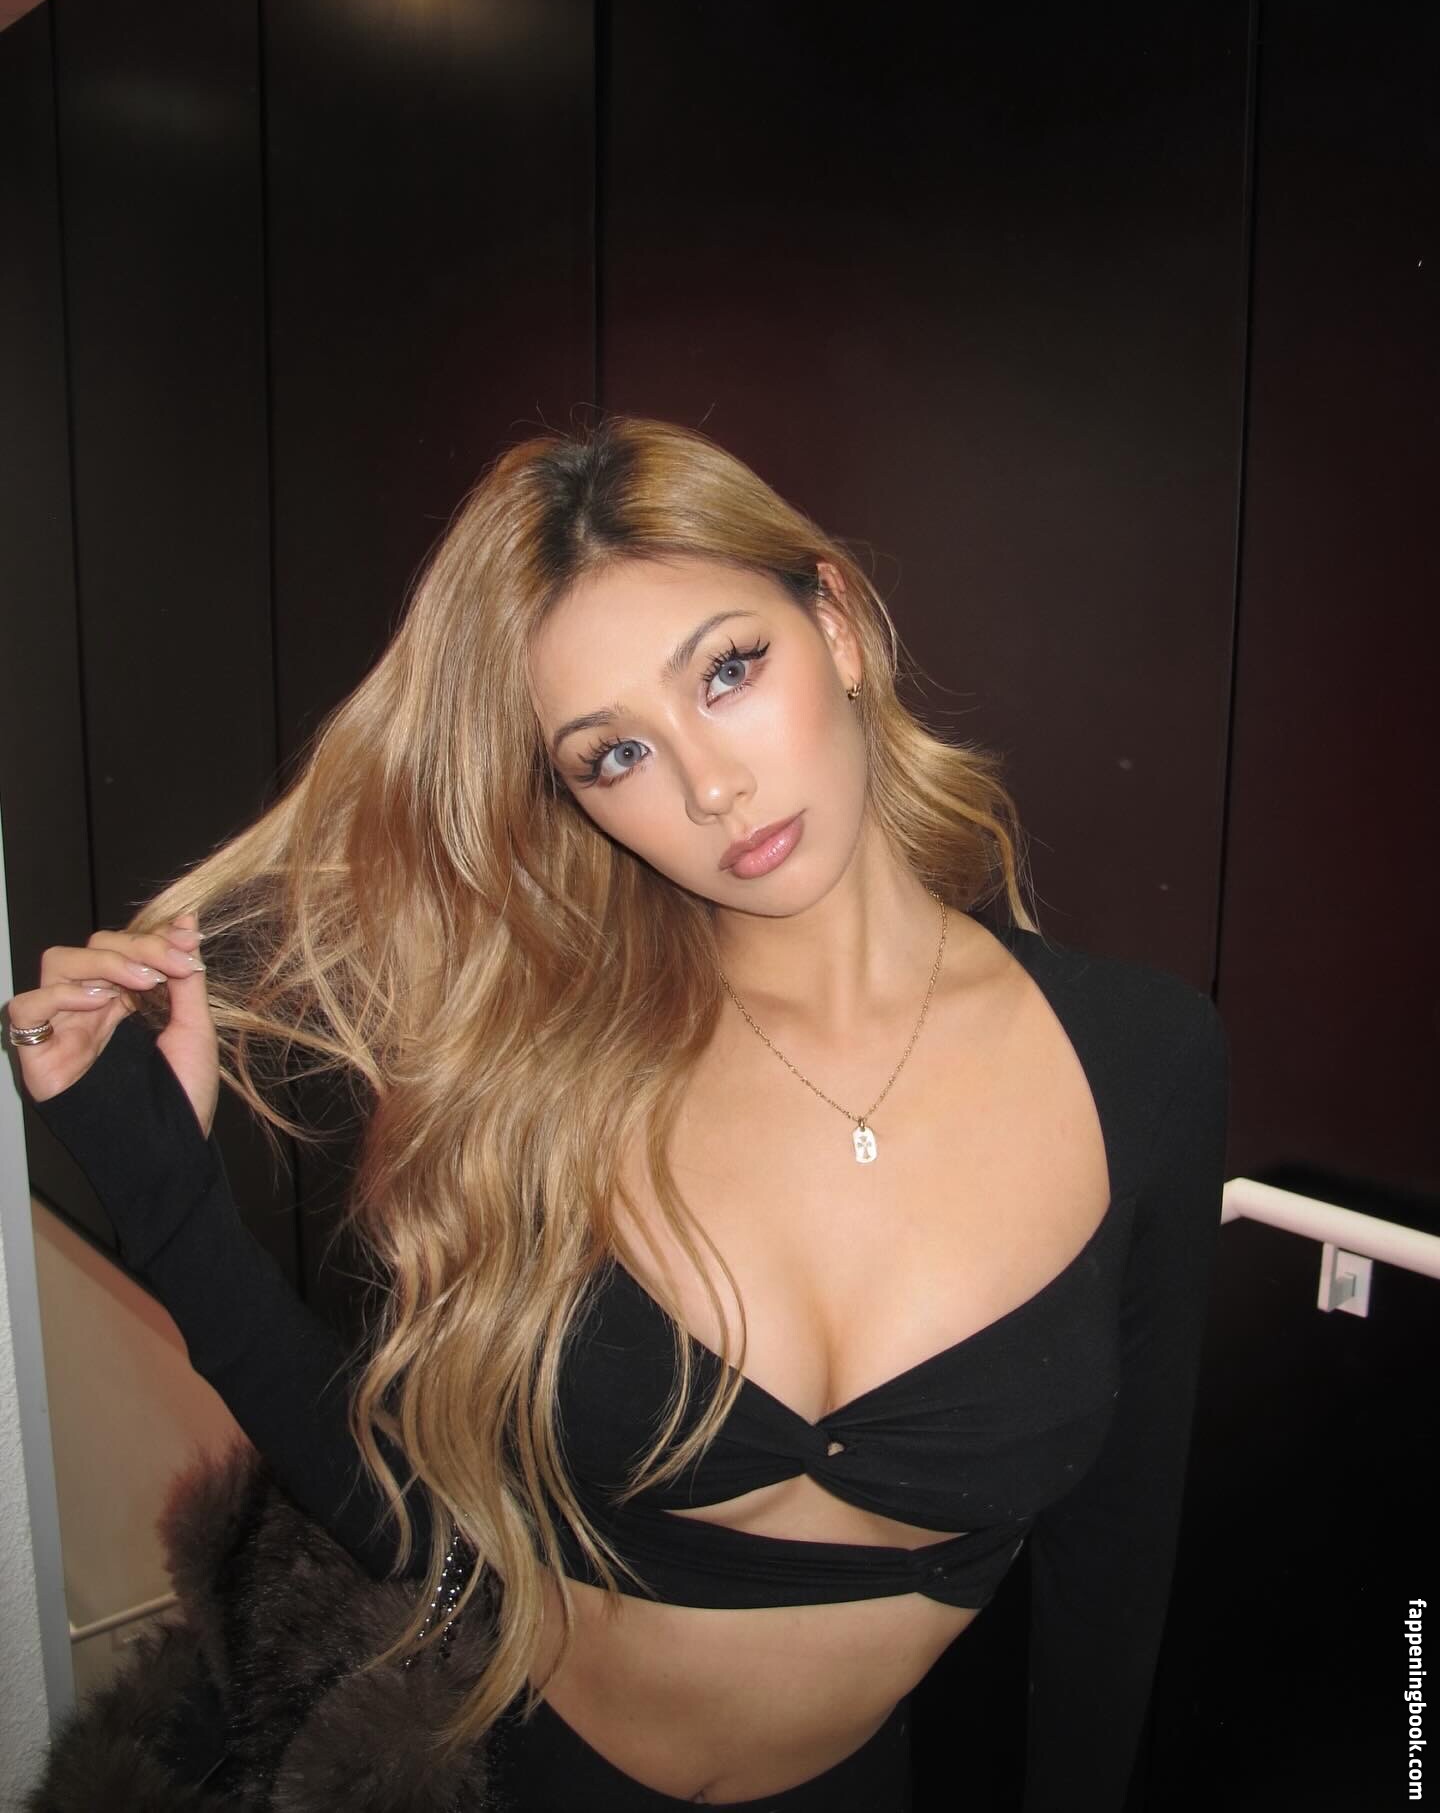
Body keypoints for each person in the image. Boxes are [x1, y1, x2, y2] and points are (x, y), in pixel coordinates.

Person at [8, 414, 1230, 1811]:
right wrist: (159, 1185)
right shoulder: (551, 1081)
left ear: (835, 623)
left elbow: (1113, 1569)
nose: (712, 787)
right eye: (614, 755)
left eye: (727, 669)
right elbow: (423, 1533)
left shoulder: (1144, 1060)